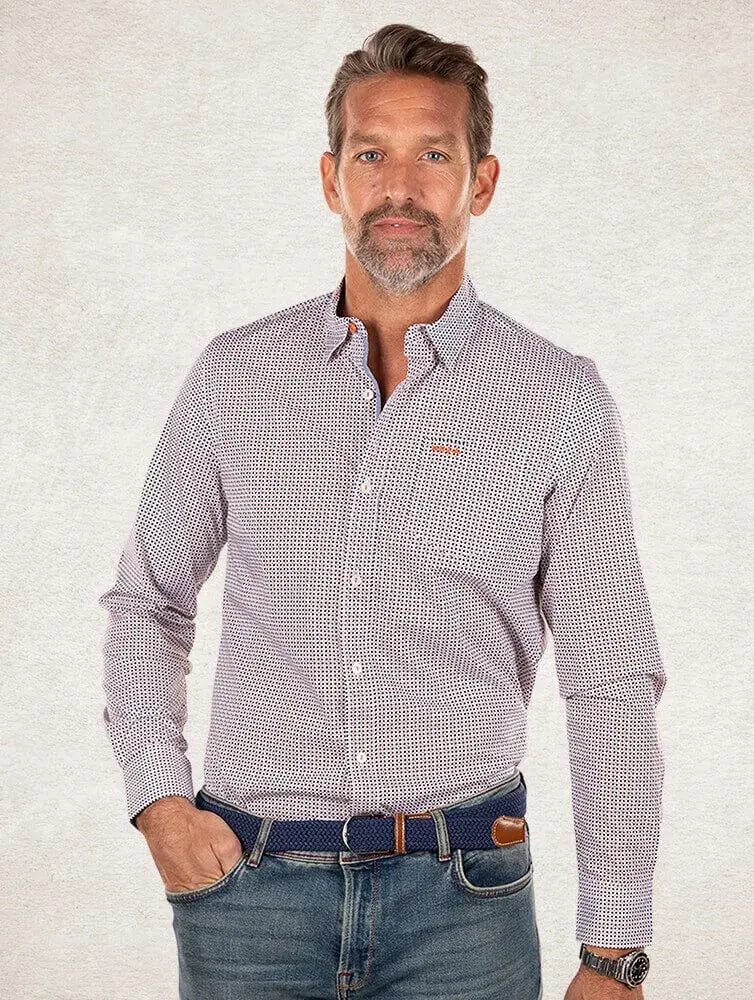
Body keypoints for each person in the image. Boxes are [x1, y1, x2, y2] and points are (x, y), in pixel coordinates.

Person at [98, 22, 666, 1000]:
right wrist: (159, 803)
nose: (399, 187)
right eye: (371, 155)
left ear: (481, 182)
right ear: (332, 179)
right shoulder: (237, 377)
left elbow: (610, 676)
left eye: (433, 155)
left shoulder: (558, 398)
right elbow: (148, 602)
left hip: (464, 906)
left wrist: (612, 949)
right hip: (247, 900)